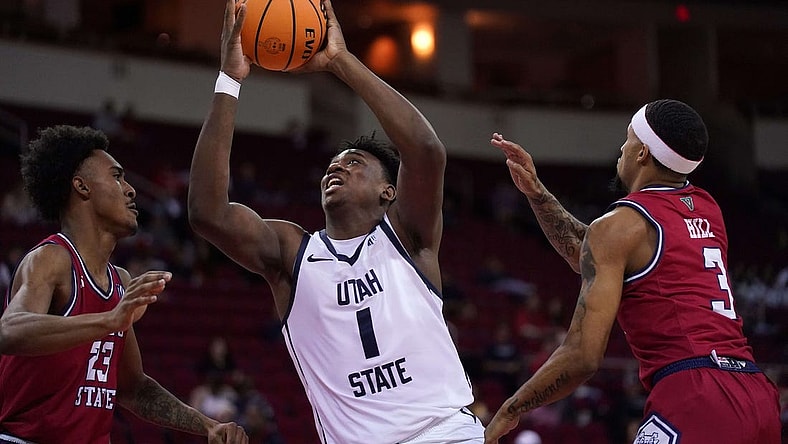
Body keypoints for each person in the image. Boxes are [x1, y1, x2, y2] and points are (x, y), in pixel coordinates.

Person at [187, 1, 484, 443]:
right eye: (332, 163)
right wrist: (229, 80)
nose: (336, 168)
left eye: (354, 162)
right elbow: (207, 213)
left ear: (390, 191)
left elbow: (425, 149)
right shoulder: (292, 253)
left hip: (443, 434)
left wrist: (341, 62)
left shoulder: (408, 236)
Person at [483, 99, 781, 444]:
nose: (621, 149)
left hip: (697, 394)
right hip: (757, 393)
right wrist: (537, 193)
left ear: (642, 152)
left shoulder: (621, 225)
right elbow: (590, 253)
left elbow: (583, 356)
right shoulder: (707, 209)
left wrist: (511, 409)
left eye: (627, 139)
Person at [0, 125, 248, 444]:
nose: (130, 190)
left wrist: (206, 425)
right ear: (82, 187)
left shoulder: (120, 281)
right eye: (117, 176)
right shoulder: (53, 259)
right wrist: (109, 320)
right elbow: (10, 331)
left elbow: (133, 389)